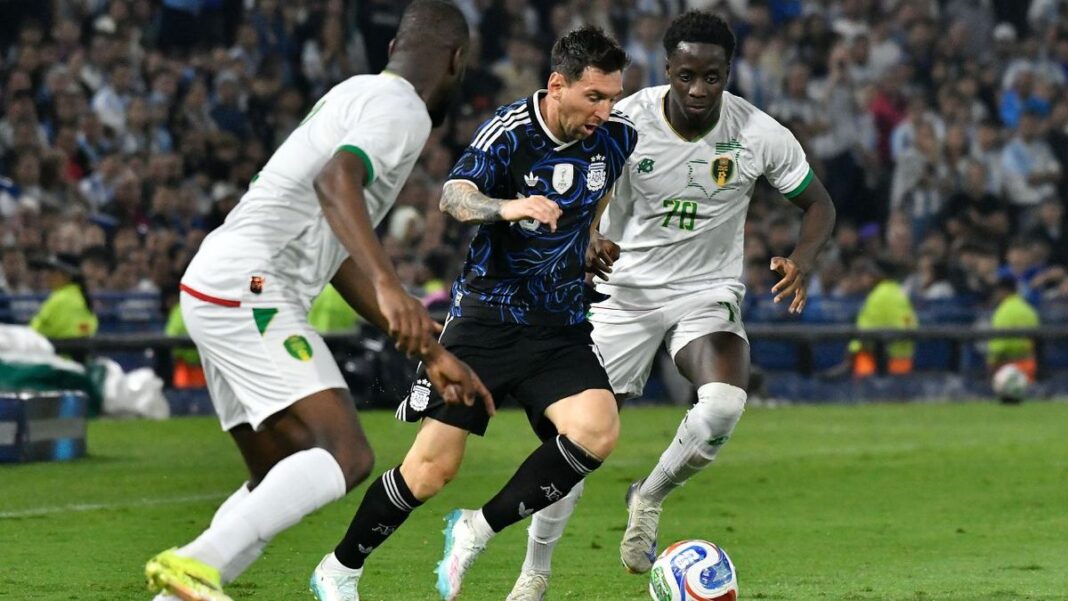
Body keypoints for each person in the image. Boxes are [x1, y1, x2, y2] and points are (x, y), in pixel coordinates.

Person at [143, 3, 490, 601]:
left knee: (280, 474)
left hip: (220, 282)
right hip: (253, 283)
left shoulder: (356, 92)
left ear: (392, 50)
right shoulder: (403, 109)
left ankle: (177, 594)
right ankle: (195, 562)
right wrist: (389, 284)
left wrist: (429, 350)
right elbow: (337, 183)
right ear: (457, 61)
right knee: (346, 453)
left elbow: (339, 250)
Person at [506, 12, 837, 599]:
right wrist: (589, 235)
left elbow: (819, 206)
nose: (699, 90)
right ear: (668, 71)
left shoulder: (759, 133)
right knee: (576, 440)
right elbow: (583, 186)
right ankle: (534, 573)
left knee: (723, 406)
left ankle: (649, 495)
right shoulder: (626, 119)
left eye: (713, 76)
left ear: (728, 72)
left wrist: (801, 260)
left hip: (706, 291)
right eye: (687, 75)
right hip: (623, 292)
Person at [309, 25, 637, 601]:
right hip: (486, 318)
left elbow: (597, 194)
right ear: (557, 84)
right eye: (595, 97)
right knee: (430, 471)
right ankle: (340, 568)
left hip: (558, 326)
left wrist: (588, 241)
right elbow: (454, 196)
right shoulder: (511, 131)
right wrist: (510, 206)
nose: (606, 111)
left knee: (596, 431)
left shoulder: (615, 139)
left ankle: (477, 527)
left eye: (613, 97)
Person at [27, 253, 98, 339]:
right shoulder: (82, 298)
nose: (47, 276)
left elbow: (33, 332)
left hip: (56, 352)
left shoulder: (59, 300)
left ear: (66, 275)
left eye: (52, 271)